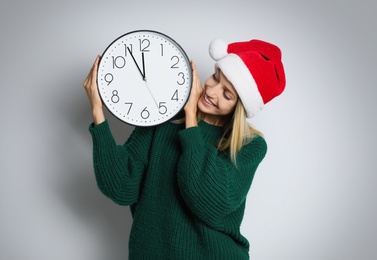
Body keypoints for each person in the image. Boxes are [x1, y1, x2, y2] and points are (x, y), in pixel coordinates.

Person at [83, 37, 286, 259]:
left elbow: (208, 201)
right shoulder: (164, 118)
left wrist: (191, 119)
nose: (212, 91)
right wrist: (98, 113)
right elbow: (122, 187)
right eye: (215, 78)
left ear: (239, 107)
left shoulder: (250, 146)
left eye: (227, 95)